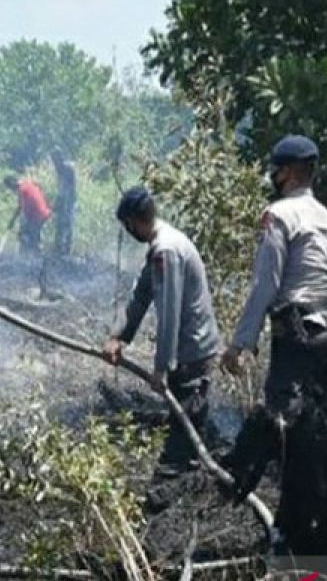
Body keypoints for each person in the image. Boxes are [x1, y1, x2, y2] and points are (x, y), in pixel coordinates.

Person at [220, 134, 327, 575]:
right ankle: (304, 529)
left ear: (290, 172)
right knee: (314, 437)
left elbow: (266, 285)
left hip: (295, 334)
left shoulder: (278, 216)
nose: (273, 178)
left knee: (281, 431)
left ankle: (288, 535)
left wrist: (241, 343)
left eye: (276, 170)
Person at [104, 187, 220, 476]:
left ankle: (173, 492)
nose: (128, 232)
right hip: (190, 350)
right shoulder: (162, 242)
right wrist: (118, 337)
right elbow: (142, 296)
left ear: (133, 221)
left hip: (191, 353)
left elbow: (170, 312)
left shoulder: (166, 251)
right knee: (184, 431)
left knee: (181, 444)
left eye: (127, 226)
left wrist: (162, 367)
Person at [4, 174, 51, 254]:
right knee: (30, 235)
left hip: (38, 215)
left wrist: (23, 228)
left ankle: (32, 257)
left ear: (12, 184)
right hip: (44, 213)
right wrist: (13, 220)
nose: (12, 190)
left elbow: (26, 209)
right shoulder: (28, 184)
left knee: (27, 237)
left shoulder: (22, 190)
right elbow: (20, 207)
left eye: (10, 187)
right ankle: (32, 255)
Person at [50, 149, 78, 256]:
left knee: (68, 223)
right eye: (53, 160)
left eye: (56, 159)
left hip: (69, 200)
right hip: (62, 199)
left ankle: (66, 249)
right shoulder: (59, 169)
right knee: (59, 224)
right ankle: (57, 248)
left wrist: (65, 202)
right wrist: (57, 202)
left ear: (61, 157)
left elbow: (70, 187)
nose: (54, 162)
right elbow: (60, 188)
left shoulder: (68, 168)